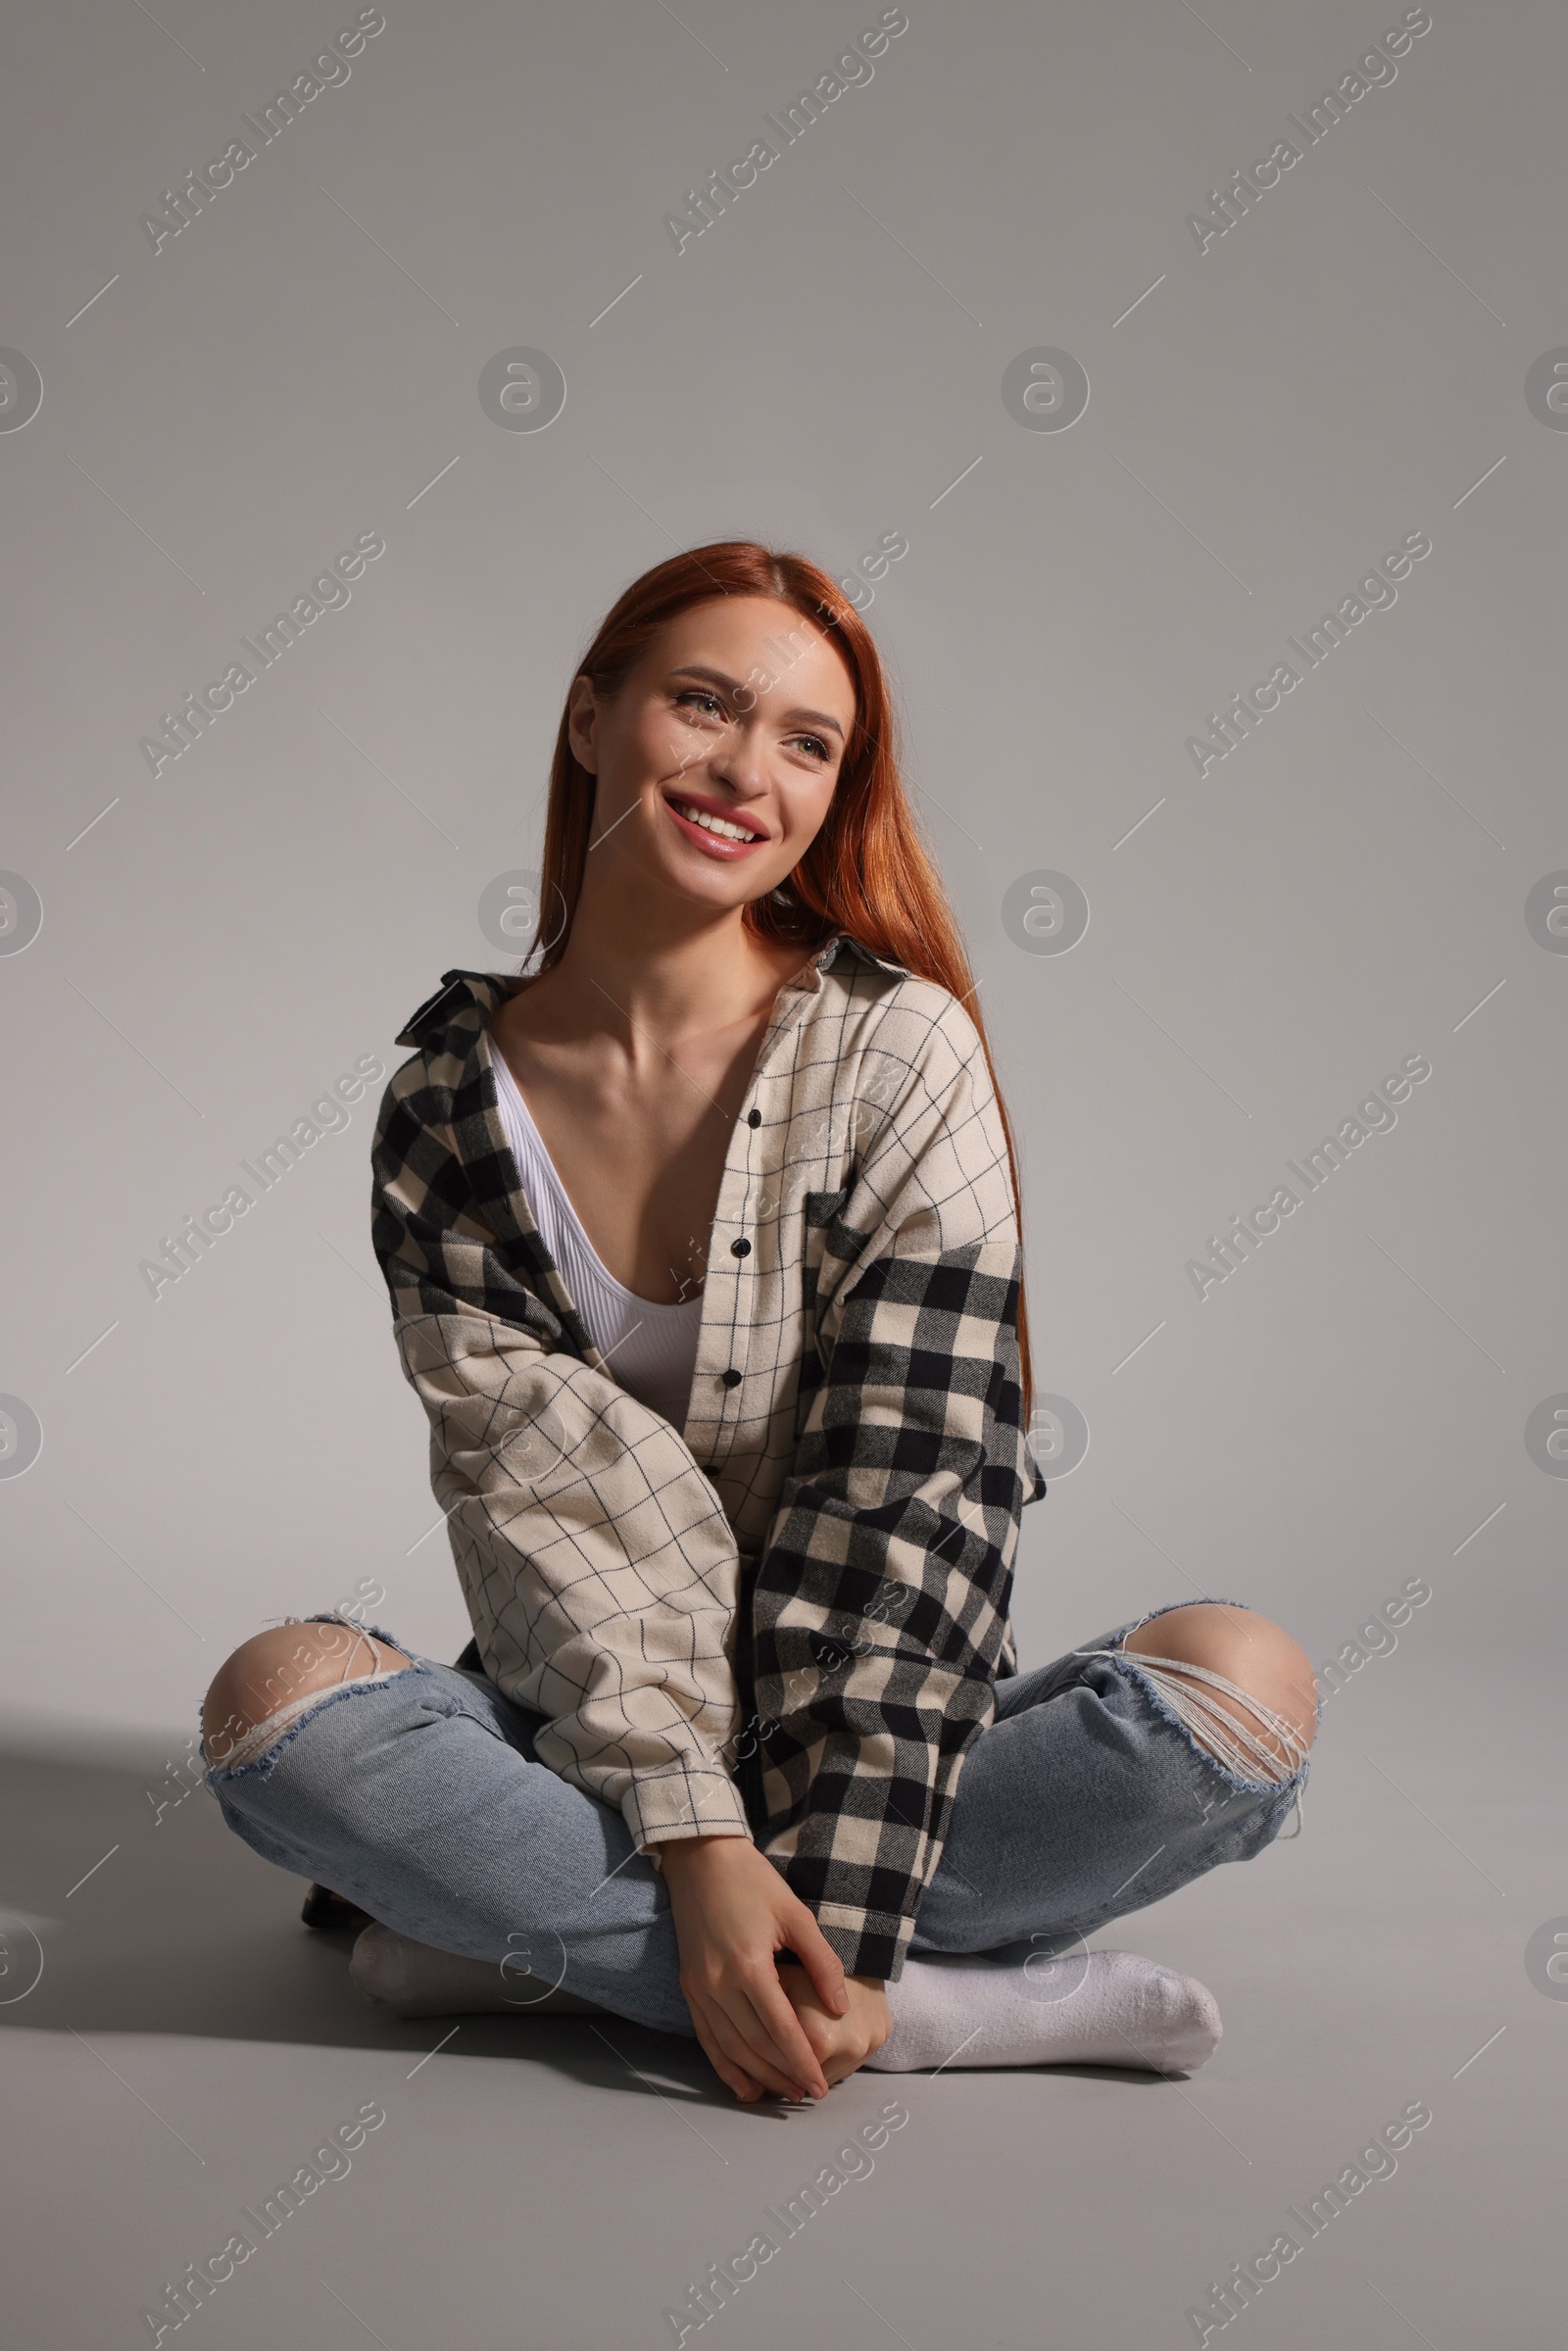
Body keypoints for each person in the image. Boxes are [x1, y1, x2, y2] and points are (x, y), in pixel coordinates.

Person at [201, 541, 1317, 2102]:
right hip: (589, 1740)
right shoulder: (445, 1110)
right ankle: (941, 2008)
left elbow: (909, 1496)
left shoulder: (896, 1052)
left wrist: (839, 1915)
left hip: (871, 1723)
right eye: (702, 705)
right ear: (593, 719)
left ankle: (579, 1959)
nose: (747, 770)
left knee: (1242, 1687)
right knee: (279, 1709)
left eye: (808, 743)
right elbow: (548, 1503)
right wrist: (699, 1840)